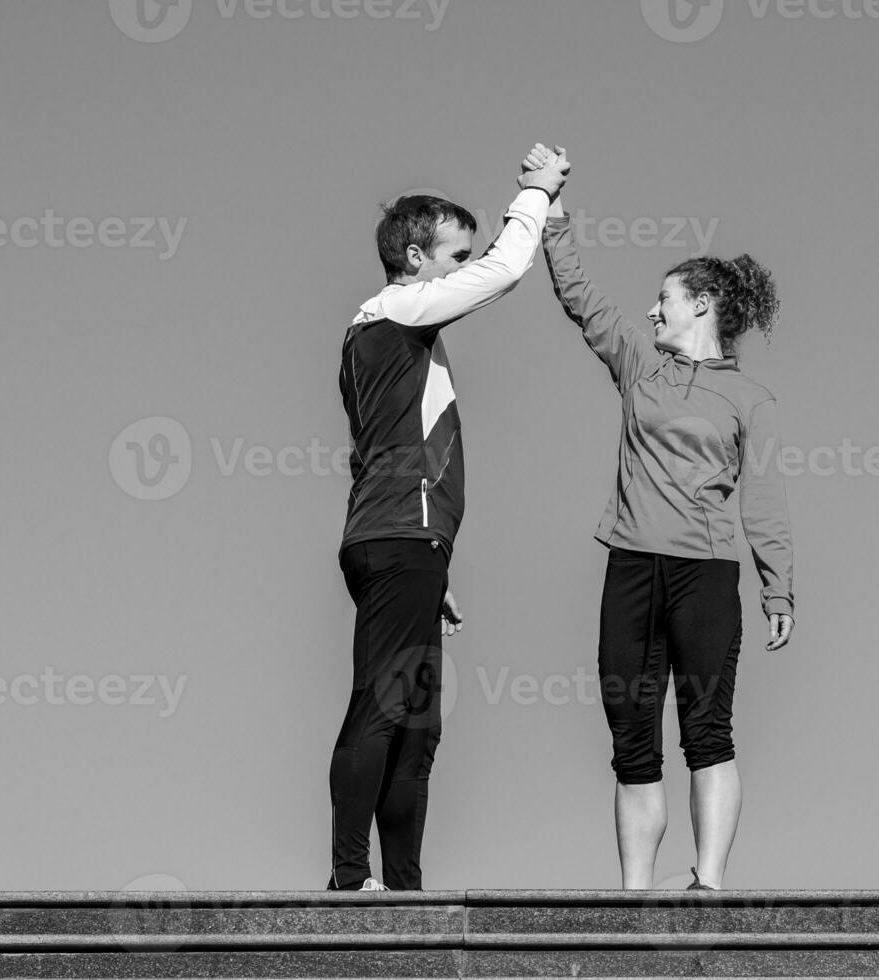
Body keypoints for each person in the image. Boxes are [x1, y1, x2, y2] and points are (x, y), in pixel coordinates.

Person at [524, 144, 793, 890]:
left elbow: (763, 499)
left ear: (701, 303)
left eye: (665, 299)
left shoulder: (749, 401)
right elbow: (578, 296)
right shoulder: (639, 364)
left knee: (707, 732)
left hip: (706, 577)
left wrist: (778, 588)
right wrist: (548, 208)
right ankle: (634, 898)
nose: (652, 309)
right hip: (630, 570)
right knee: (630, 739)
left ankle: (706, 884)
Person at [328, 150, 571, 891]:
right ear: (412, 256)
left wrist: (433, 564)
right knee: (382, 703)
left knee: (418, 726)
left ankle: (403, 887)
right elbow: (501, 273)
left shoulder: (383, 339)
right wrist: (533, 193)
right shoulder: (397, 311)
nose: (464, 266)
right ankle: (347, 879)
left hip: (406, 544)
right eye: (452, 255)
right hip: (399, 540)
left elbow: (377, 452)